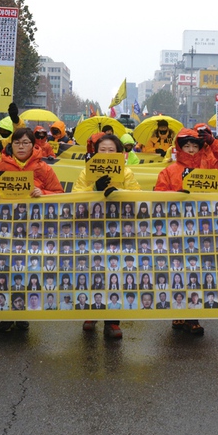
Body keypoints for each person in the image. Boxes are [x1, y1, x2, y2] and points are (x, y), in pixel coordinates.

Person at [0, 127, 63, 333]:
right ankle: (5, 314)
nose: (21, 147)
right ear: (11, 145)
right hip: (4, 229)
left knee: (28, 270)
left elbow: (59, 195)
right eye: (17, 143)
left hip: (33, 231)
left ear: (34, 146)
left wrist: (42, 192)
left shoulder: (44, 169)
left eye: (26, 143)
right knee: (5, 271)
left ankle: (23, 312)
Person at [154, 125, 218, 336]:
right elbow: (158, 197)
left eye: (194, 145)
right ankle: (177, 312)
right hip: (177, 230)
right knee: (177, 272)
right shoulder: (168, 171)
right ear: (179, 147)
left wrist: (214, 142)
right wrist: (176, 196)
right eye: (186, 145)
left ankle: (193, 316)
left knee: (196, 272)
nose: (190, 149)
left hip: (202, 230)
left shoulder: (209, 167)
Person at [74, 133, 141, 338]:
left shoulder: (127, 173)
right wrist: (94, 188)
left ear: (120, 153)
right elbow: (75, 196)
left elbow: (138, 197)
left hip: (117, 230)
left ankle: (112, 321)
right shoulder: (86, 173)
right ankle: (91, 314)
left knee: (115, 272)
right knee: (93, 271)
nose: (107, 153)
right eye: (102, 150)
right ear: (95, 153)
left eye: (111, 150)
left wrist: (117, 191)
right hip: (92, 230)